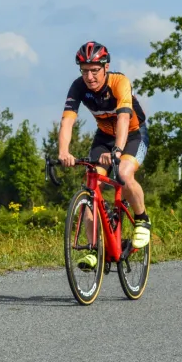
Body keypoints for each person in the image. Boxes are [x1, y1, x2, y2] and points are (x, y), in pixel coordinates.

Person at [57, 41, 151, 260]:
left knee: (124, 175)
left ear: (106, 67)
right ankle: (94, 250)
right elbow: (67, 122)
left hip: (133, 134)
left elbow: (124, 117)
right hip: (103, 137)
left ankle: (142, 219)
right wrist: (63, 151)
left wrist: (118, 150)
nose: (89, 77)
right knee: (90, 188)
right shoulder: (78, 86)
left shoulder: (120, 82)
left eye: (95, 71)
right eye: (85, 71)